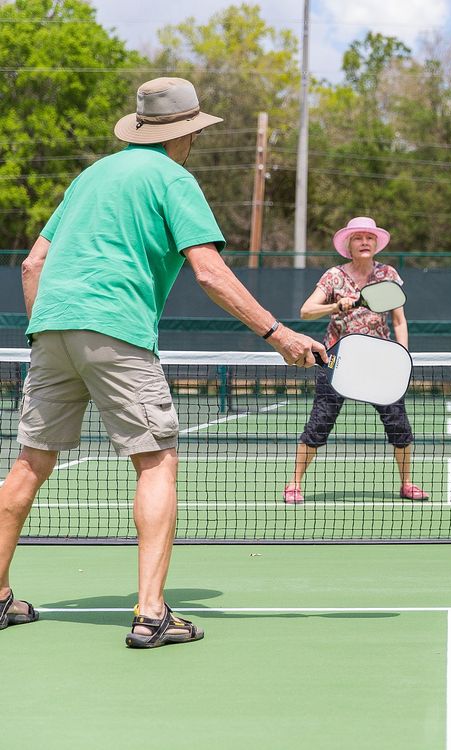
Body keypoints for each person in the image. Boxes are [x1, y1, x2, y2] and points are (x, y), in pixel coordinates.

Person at [0, 78, 327, 646]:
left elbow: (32, 265)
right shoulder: (175, 179)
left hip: (49, 329)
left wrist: (47, 328)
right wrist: (277, 333)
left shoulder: (90, 176)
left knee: (30, 463)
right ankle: (151, 614)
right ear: (188, 134)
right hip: (117, 332)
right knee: (156, 462)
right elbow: (208, 272)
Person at [283, 217, 429, 504]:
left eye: (369, 238)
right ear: (348, 245)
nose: (365, 242)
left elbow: (399, 321)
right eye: (358, 237)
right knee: (319, 423)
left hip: (380, 363)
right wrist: (337, 304)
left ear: (376, 244)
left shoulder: (387, 274)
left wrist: (403, 357)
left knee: (399, 425)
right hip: (337, 361)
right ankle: (294, 484)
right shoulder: (334, 276)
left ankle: (407, 483)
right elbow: (305, 311)